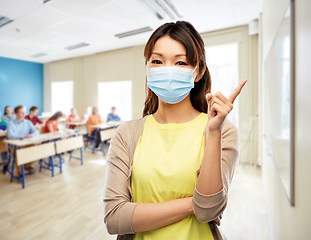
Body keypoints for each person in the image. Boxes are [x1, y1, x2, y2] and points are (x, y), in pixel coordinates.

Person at [103, 21, 247, 240]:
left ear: (198, 72)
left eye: (180, 62)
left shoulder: (223, 131)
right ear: (148, 70)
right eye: (158, 61)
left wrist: (213, 132)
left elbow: (208, 210)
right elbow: (115, 218)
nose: (168, 70)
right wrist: (193, 204)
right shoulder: (127, 134)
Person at [7, 105, 39, 176]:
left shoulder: (28, 122)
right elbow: (10, 135)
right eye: (21, 112)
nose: (23, 114)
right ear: (15, 113)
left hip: (26, 143)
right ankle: (20, 173)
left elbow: (36, 131)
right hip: (15, 146)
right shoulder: (11, 123)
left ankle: (26, 166)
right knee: (19, 152)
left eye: (24, 112)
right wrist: (24, 136)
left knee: (37, 150)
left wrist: (33, 134)